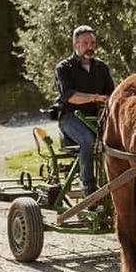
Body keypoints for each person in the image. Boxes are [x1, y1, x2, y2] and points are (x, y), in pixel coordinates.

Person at [53, 25, 115, 196]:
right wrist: (95, 98)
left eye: (93, 42)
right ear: (76, 45)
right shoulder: (63, 68)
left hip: (98, 118)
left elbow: (111, 94)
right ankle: (87, 186)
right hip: (71, 118)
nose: (90, 46)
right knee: (87, 140)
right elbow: (69, 96)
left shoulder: (101, 67)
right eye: (86, 42)